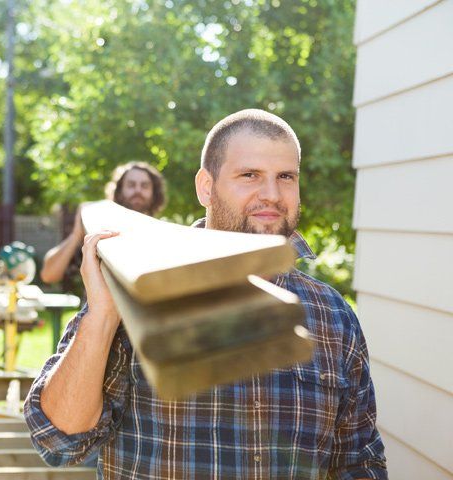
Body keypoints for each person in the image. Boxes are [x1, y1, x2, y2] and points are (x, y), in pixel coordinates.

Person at [24, 109, 387, 479]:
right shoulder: (144, 286)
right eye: (250, 175)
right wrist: (101, 316)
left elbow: (360, 462)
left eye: (286, 177)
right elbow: (59, 442)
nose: (272, 194)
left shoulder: (333, 315)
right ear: (206, 187)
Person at [40, 161, 166, 285]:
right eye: (131, 185)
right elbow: (48, 275)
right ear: (119, 191)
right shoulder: (100, 232)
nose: (138, 190)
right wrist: (76, 234)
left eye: (144, 186)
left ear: (154, 193)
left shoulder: (161, 235)